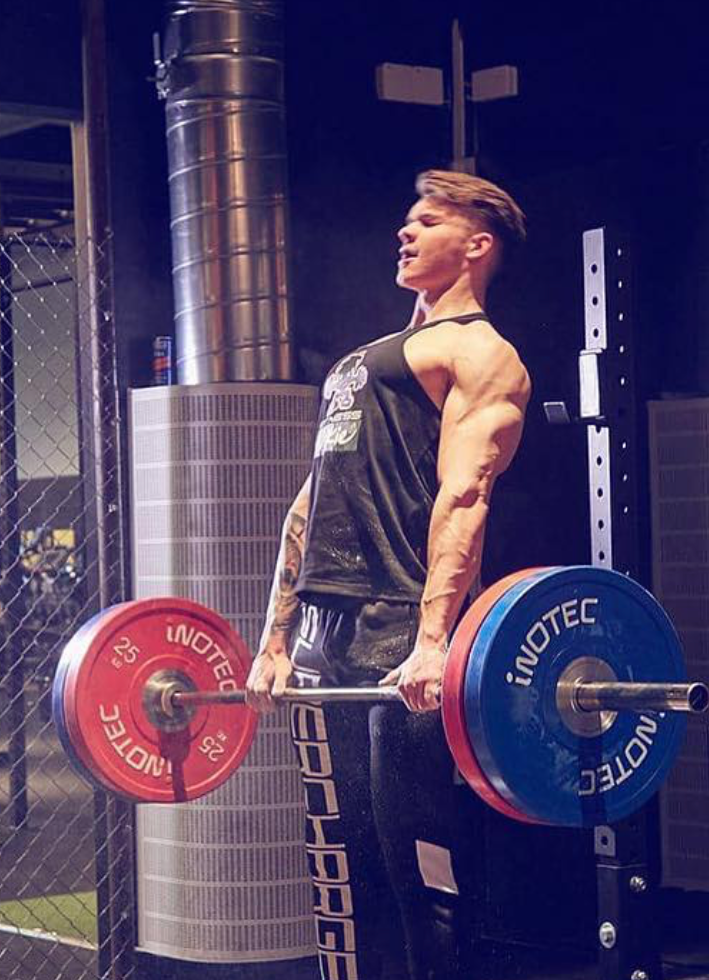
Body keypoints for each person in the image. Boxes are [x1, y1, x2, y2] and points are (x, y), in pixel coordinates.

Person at [245, 169, 530, 980]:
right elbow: (310, 503)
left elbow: (465, 494)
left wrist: (434, 641)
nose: (405, 232)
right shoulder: (369, 359)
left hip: (401, 624)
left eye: (426, 221)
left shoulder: (481, 354)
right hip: (322, 632)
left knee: (417, 860)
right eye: (407, 219)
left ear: (475, 245)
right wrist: (275, 640)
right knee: (339, 858)